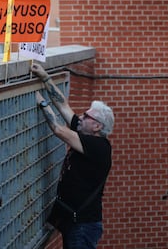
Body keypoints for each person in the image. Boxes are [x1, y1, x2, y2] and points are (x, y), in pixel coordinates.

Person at [31, 63, 114, 249]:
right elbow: (64, 106)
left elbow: (59, 130)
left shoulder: (98, 146)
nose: (82, 117)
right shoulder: (85, 135)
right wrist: (45, 77)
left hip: (83, 225)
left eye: (87, 116)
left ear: (97, 126)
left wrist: (41, 101)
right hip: (74, 221)